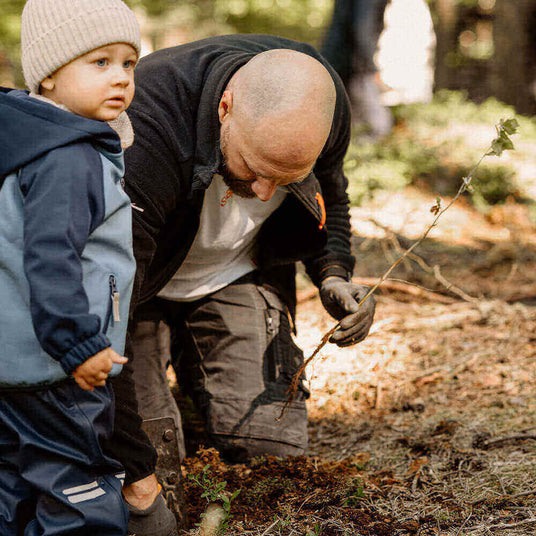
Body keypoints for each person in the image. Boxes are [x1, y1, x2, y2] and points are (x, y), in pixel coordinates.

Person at [106, 34, 377, 534]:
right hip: (139, 287)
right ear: (225, 107)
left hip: (236, 270)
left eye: (287, 177)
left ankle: (197, 373)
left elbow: (330, 198)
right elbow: (105, 305)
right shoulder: (147, 123)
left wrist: (334, 272)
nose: (264, 193)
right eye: (254, 170)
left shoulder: (323, 104)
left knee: (271, 448)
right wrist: (137, 483)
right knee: (146, 457)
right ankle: (170, 371)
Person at [0, 0, 150, 534]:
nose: (120, 79)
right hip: (59, 370)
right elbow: (51, 256)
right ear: (48, 77)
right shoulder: (67, 155)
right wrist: (78, 344)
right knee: (79, 497)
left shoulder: (24, 138)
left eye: (128, 64)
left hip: (13, 367)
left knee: (15, 492)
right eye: (99, 63)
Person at [322, 0, 393, 137]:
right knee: (378, 125)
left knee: (345, 124)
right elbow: (362, 28)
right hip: (354, 67)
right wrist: (371, 68)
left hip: (339, 64)